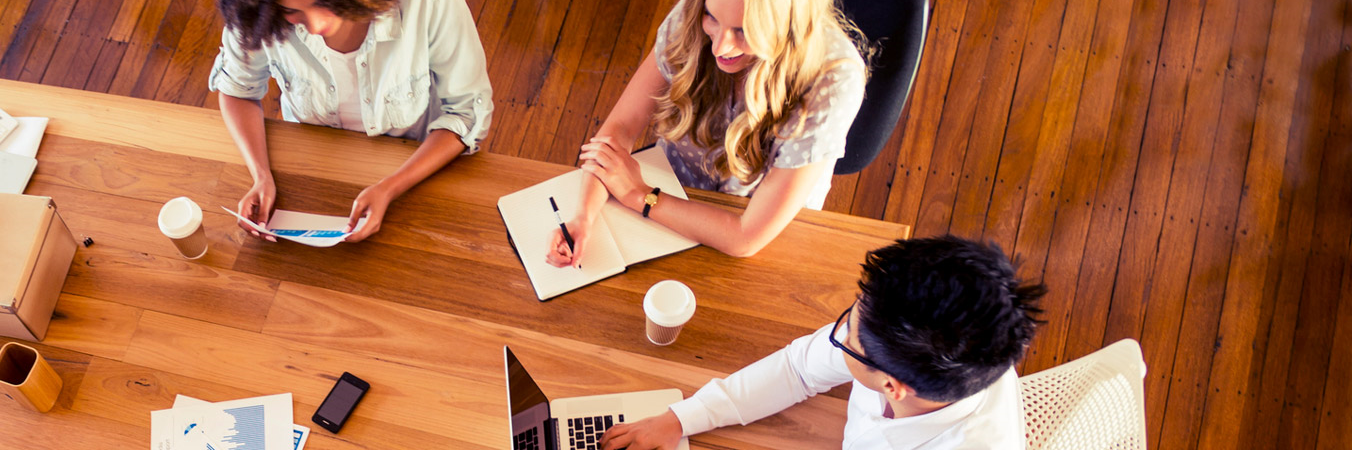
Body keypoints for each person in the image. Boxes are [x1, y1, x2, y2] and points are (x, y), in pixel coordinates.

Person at [601, 236, 1045, 449]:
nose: (838, 337)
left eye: (850, 339)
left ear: (893, 387)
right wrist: (682, 418)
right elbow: (798, 370)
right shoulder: (914, 342)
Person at [547, 0, 866, 264]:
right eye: (711, 18)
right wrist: (583, 218)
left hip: (759, 221)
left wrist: (639, 196)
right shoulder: (697, 14)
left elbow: (745, 239)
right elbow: (620, 129)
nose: (720, 46)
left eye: (743, 31)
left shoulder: (834, 80)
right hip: (673, 189)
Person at [210, 0, 492, 243]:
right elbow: (237, 90)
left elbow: (465, 114)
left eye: (324, 2)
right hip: (307, 173)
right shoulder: (259, 10)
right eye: (290, 10)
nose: (316, 25)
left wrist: (390, 188)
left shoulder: (427, 6)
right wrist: (261, 175)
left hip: (416, 169)